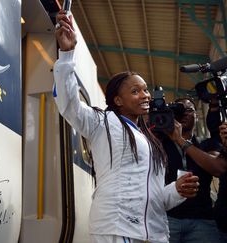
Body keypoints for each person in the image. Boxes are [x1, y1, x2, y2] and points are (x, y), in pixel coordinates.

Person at [53, 10, 199, 243]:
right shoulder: (103, 122)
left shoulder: (151, 142)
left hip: (154, 233)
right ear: (118, 100)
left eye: (145, 89)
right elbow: (69, 104)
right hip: (117, 228)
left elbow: (155, 197)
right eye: (135, 91)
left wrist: (176, 190)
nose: (145, 95)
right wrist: (67, 54)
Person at [160, 97, 227, 243]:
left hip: (202, 221)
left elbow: (218, 168)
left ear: (197, 116)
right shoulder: (160, 142)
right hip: (167, 218)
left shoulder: (206, 143)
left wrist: (180, 140)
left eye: (189, 110)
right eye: (179, 110)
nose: (184, 113)